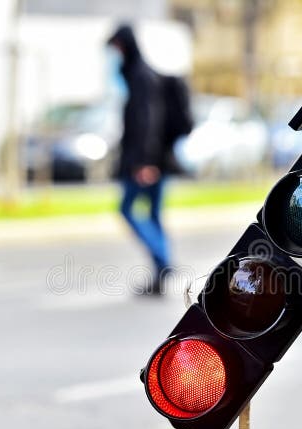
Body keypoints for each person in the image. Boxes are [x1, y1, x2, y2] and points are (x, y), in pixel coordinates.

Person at [107, 24, 173, 296]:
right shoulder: (144, 75)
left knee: (127, 209)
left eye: (116, 48)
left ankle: (163, 260)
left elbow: (147, 121)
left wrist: (144, 162)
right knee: (153, 215)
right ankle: (159, 273)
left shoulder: (140, 77)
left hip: (146, 161)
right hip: (157, 159)